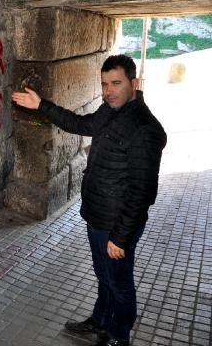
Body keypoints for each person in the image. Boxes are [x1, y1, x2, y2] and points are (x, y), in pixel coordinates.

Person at [11, 54, 166, 346]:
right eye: (105, 84)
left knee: (119, 283)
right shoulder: (109, 111)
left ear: (134, 83)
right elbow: (79, 123)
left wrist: (120, 237)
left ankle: (119, 336)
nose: (109, 90)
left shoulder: (145, 130)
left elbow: (142, 192)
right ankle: (100, 321)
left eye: (116, 83)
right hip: (97, 215)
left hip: (116, 224)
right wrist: (41, 105)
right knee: (103, 274)